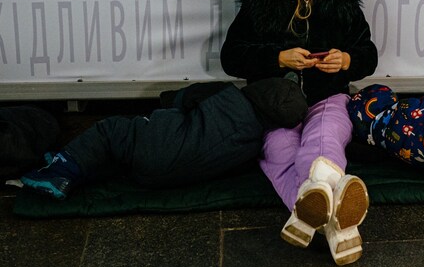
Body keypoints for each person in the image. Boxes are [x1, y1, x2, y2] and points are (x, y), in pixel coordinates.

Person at [220, 0, 378, 265]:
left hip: (329, 98)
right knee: (278, 150)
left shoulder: (343, 8)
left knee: (324, 139)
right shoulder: (259, 8)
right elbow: (231, 58)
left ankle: (309, 209)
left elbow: (369, 55)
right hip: (274, 104)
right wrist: (278, 58)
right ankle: (340, 229)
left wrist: (346, 60)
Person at [19, 78, 307, 198]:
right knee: (121, 154)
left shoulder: (227, 93)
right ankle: (80, 165)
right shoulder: (255, 143)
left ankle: (61, 171)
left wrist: (164, 104)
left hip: (157, 143)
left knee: (110, 132)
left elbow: (182, 99)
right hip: (162, 178)